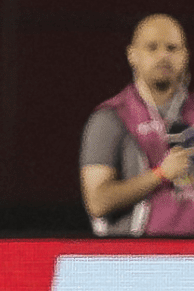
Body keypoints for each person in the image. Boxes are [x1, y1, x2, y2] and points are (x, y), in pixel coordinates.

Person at [80, 14, 193, 236]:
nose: (163, 55)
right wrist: (160, 174)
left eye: (172, 48)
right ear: (132, 55)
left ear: (185, 56)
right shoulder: (111, 118)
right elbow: (97, 202)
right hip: (135, 258)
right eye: (152, 48)